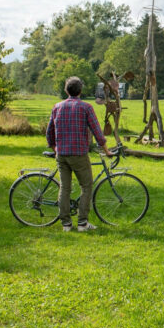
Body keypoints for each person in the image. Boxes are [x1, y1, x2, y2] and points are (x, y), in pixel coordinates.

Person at [46, 76, 113, 232]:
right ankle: (82, 223)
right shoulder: (86, 107)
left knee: (65, 188)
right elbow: (97, 131)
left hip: (62, 154)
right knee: (86, 186)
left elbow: (49, 131)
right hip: (79, 154)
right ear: (81, 91)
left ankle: (66, 224)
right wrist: (106, 150)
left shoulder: (57, 107)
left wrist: (54, 147)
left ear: (66, 90)